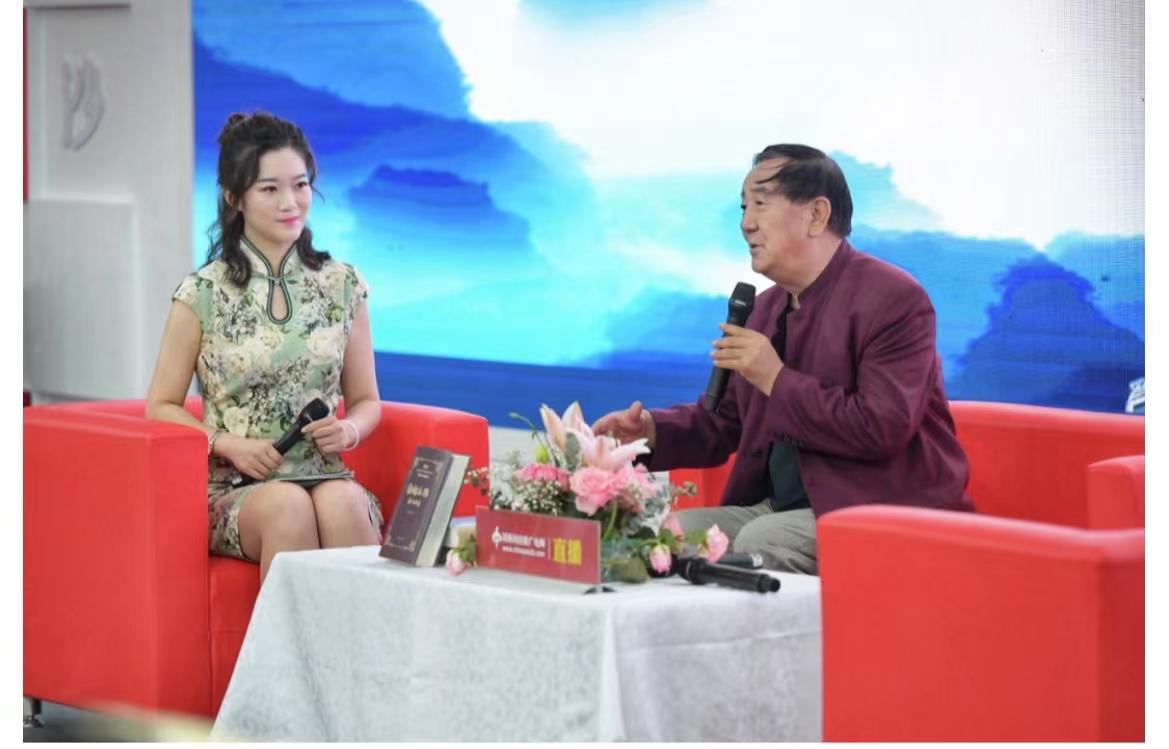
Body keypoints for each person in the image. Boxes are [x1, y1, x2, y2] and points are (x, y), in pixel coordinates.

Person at [594, 144, 971, 574]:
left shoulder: (894, 300)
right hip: (777, 510)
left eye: (761, 204)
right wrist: (649, 432)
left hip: (878, 507)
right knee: (663, 534)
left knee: (761, 541)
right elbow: (724, 423)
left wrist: (775, 377)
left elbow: (881, 427)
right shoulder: (763, 309)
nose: (746, 223)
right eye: (743, 207)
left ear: (816, 215)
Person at [146, 112, 383, 583]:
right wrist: (230, 445)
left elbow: (367, 401)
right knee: (286, 505)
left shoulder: (344, 285)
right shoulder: (202, 293)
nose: (290, 202)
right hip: (237, 488)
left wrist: (349, 431)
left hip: (325, 474)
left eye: (300, 185)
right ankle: (287, 639)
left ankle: (367, 637)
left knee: (343, 502)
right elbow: (161, 406)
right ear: (234, 198)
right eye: (269, 189)